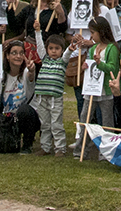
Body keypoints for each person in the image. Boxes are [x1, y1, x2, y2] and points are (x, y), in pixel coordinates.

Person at [0, 40, 39, 153]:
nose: (18, 56)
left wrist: (32, 70)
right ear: (7, 56)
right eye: (14, 53)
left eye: (21, 53)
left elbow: (31, 76)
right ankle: (9, 139)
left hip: (26, 117)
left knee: (25, 111)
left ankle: (27, 145)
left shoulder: (26, 72)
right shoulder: (1, 76)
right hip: (7, 119)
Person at [75, 16, 120, 160]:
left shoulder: (112, 48)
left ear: (101, 32)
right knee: (85, 119)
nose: (91, 36)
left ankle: (107, 153)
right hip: (91, 89)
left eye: (93, 32)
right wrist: (85, 67)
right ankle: (81, 150)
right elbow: (90, 64)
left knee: (106, 122)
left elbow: (113, 67)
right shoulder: (93, 48)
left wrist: (100, 64)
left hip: (105, 90)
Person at [32, 23, 75, 155]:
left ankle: (60, 148)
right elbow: (39, 46)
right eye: (51, 48)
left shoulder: (62, 62)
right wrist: (38, 32)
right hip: (41, 97)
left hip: (55, 98)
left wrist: (70, 49)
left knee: (56, 124)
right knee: (44, 124)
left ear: (61, 50)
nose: (54, 51)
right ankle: (45, 147)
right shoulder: (44, 59)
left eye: (57, 48)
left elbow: (67, 55)